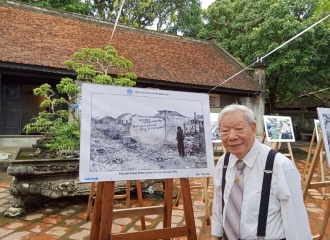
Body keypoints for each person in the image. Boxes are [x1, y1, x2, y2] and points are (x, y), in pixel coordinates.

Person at [211, 104, 312, 240]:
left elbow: (297, 225)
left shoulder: (280, 166)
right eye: (225, 131)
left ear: (253, 128)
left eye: (239, 129)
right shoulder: (223, 163)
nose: (232, 136)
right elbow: (219, 206)